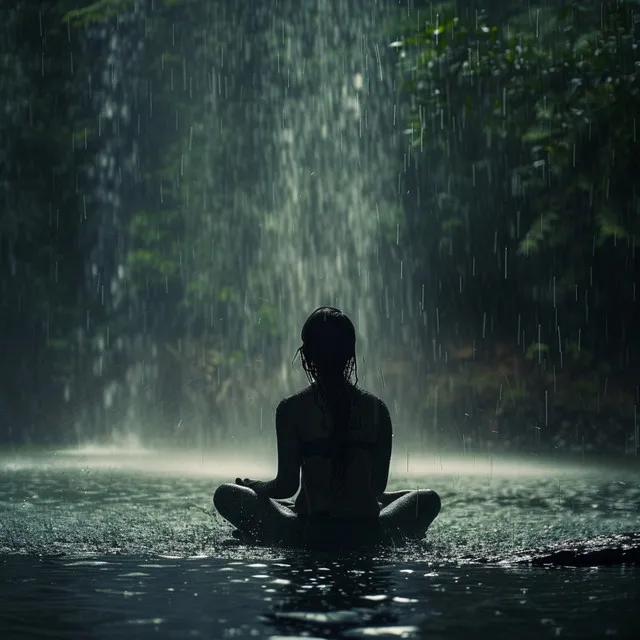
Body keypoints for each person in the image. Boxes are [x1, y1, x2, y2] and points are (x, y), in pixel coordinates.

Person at [213, 306, 441, 548]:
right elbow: (376, 487)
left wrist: (254, 486)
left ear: (306, 355)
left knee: (226, 494)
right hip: (367, 533)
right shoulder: (377, 410)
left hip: (305, 533)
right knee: (427, 499)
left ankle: (267, 535)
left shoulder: (291, 409)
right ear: (350, 355)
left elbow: (286, 486)